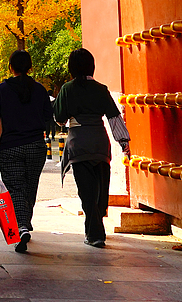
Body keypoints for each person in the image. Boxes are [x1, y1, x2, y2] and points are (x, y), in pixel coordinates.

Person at [52, 48, 131, 248]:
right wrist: (123, 142)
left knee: (86, 191)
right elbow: (114, 118)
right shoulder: (101, 89)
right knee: (100, 190)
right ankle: (97, 228)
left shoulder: (67, 89)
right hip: (99, 142)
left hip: (78, 145)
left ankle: (94, 233)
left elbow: (59, 118)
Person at [0, 50, 54, 253]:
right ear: (30, 67)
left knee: (15, 188)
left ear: (11, 67)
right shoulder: (40, 90)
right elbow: (48, 117)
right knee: (30, 186)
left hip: (10, 146)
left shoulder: (3, 90)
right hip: (36, 145)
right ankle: (25, 222)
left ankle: (21, 227)